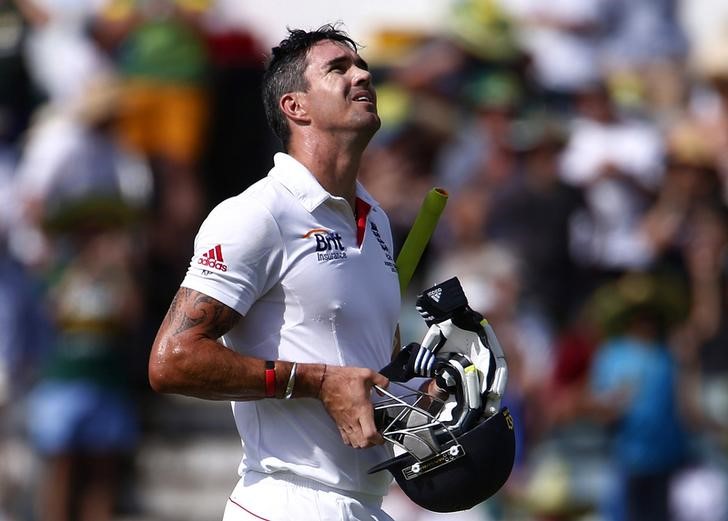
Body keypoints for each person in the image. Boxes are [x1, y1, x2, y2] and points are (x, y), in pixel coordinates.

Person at [148, 24, 412, 521]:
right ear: (296, 107)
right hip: (287, 501)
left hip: (369, 506)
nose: (363, 75)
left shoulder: (375, 219)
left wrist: (418, 393)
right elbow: (172, 359)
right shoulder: (258, 213)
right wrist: (317, 381)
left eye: (362, 66)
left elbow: (369, 366)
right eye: (339, 69)